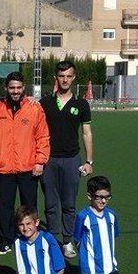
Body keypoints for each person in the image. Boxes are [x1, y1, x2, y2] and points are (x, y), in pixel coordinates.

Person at [0, 71, 50, 254]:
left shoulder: (34, 108)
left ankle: (30, 236)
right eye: (11, 88)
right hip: (5, 168)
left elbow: (43, 137)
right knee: (5, 205)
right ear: (6, 89)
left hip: (28, 167)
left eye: (18, 87)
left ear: (24, 88)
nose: (15, 91)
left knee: (29, 205)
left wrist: (40, 161)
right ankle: (6, 239)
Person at [42, 60, 94, 259]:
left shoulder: (81, 104)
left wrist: (89, 162)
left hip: (72, 159)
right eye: (61, 76)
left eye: (68, 76)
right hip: (49, 160)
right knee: (50, 203)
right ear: (56, 78)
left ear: (73, 78)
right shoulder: (44, 103)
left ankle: (66, 241)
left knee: (69, 204)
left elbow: (87, 133)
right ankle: (51, 239)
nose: (65, 79)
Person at [74, 175, 126, 274]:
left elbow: (112, 236)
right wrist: (85, 260)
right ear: (89, 196)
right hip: (91, 268)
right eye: (99, 197)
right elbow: (77, 239)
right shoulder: (83, 216)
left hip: (109, 267)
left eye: (107, 197)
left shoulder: (112, 215)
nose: (103, 201)